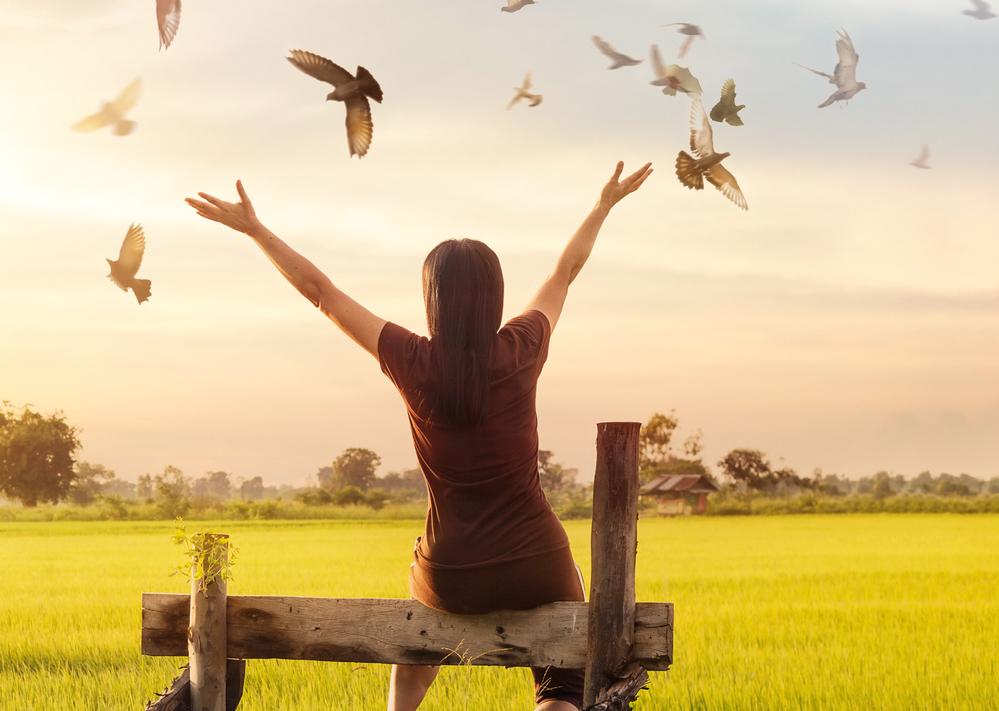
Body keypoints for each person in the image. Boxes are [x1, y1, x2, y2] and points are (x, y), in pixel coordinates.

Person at [186, 162, 654, 711]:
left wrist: (255, 230)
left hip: (449, 573)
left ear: (433, 298)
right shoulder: (522, 346)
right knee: (562, 686)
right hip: (537, 561)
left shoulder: (411, 359)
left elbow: (322, 294)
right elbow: (564, 272)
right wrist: (602, 205)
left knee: (416, 641)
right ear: (495, 296)